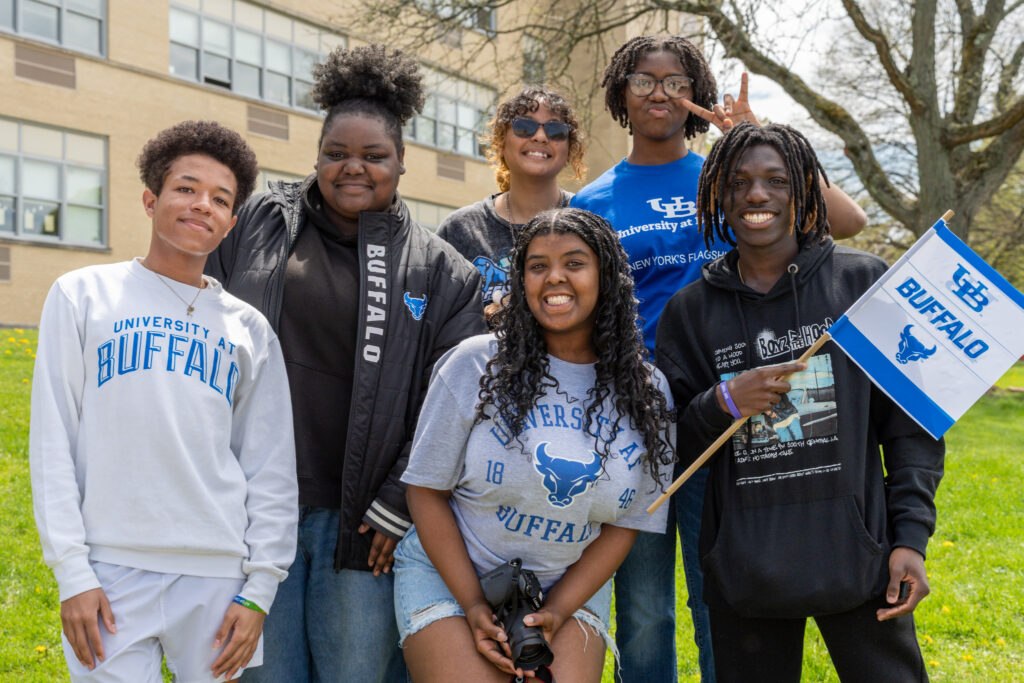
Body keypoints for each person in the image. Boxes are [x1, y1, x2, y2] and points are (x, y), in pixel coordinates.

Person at [569, 33, 868, 682]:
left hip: (731, 416)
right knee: (644, 607)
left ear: (696, 96)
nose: (660, 93)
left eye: (676, 81)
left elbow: (846, 224)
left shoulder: (731, 177)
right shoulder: (590, 203)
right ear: (622, 92)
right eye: (644, 80)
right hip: (636, 427)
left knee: (720, 592)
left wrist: (758, 133)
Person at [204, 44, 486, 682]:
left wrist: (395, 501)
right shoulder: (253, 225)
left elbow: (454, 404)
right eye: (337, 153)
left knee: (355, 674)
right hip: (251, 509)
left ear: (402, 162)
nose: (352, 167)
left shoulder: (442, 273)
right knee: (259, 674)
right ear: (317, 155)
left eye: (373, 155)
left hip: (364, 525)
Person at [656, 122, 944, 681]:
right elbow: (670, 447)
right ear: (718, 193)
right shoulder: (689, 313)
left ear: (805, 193)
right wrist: (724, 401)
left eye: (776, 181)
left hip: (861, 560)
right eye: (739, 182)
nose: (757, 195)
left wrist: (910, 539)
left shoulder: (860, 284)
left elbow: (911, 428)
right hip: (746, 570)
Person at [30, 120, 298, 682]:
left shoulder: (249, 329)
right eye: (186, 188)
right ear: (151, 199)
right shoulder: (82, 295)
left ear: (229, 223)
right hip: (109, 568)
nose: (202, 205)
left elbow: (270, 467)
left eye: (220, 199)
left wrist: (259, 593)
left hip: (217, 576)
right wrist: (74, 574)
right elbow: (52, 440)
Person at [395, 208, 676, 683]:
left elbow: (627, 523)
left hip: (568, 586)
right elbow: (425, 491)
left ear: (606, 277)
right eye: (538, 266)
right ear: (521, 281)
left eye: (574, 263)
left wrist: (558, 612)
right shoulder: (475, 364)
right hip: (453, 577)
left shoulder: (648, 392)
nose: (554, 278)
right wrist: (474, 606)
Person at [436, 86, 586, 320]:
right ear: (501, 140)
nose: (539, 136)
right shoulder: (459, 229)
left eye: (556, 130)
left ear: (569, 149)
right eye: (524, 127)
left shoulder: (589, 219)